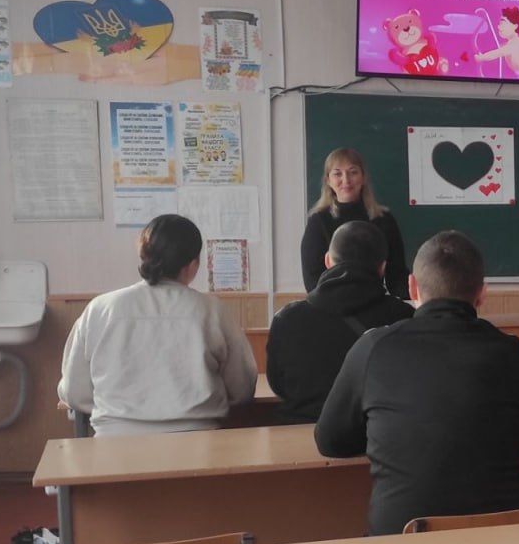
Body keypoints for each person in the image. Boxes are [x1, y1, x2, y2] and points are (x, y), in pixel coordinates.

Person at [315, 231, 519, 535]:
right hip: (507, 543)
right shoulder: (515, 353)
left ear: (412, 287)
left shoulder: (372, 349)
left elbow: (330, 441)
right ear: (482, 293)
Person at [57, 214, 257, 437]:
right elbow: (242, 388)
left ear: (143, 256)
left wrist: (115, 411)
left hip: (115, 441)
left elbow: (74, 392)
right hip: (199, 440)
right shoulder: (212, 310)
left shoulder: (100, 308)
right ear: (193, 265)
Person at [267, 222, 413, 423]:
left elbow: (278, 385)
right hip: (375, 433)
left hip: (300, 429)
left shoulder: (287, 319)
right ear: (382, 268)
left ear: (328, 260)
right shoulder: (404, 318)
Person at [301, 148, 409, 298]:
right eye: (337, 174)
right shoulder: (318, 221)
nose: (346, 180)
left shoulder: (384, 219)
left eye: (353, 172)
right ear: (328, 180)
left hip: (374, 302)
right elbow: (312, 280)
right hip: (333, 304)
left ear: (363, 177)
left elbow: (397, 277)